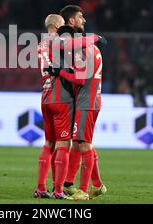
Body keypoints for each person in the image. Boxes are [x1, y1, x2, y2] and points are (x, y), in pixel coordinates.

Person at [35, 14, 103, 199]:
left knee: (49, 143)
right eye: (63, 25)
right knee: (64, 144)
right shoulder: (56, 41)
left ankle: (41, 187)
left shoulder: (41, 45)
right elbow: (72, 46)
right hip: (61, 99)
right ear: (57, 26)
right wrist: (94, 38)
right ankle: (58, 190)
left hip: (45, 97)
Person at [59, 5, 107, 200]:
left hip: (87, 100)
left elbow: (79, 78)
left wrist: (60, 72)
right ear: (72, 21)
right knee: (80, 144)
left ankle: (84, 191)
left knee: (83, 143)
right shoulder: (90, 45)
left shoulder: (81, 46)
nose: (84, 20)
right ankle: (92, 185)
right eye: (81, 17)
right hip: (91, 99)